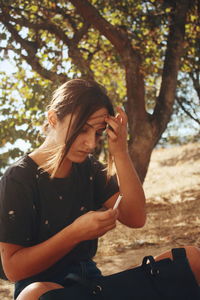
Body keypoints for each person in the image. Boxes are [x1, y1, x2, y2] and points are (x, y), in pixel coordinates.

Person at [0, 79, 146, 300]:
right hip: (40, 289)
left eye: (98, 133)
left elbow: (136, 217)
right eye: (81, 129)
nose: (90, 144)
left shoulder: (89, 169)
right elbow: (13, 269)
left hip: (90, 284)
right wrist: (74, 234)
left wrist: (121, 153)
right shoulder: (18, 179)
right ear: (53, 119)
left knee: (191, 259)